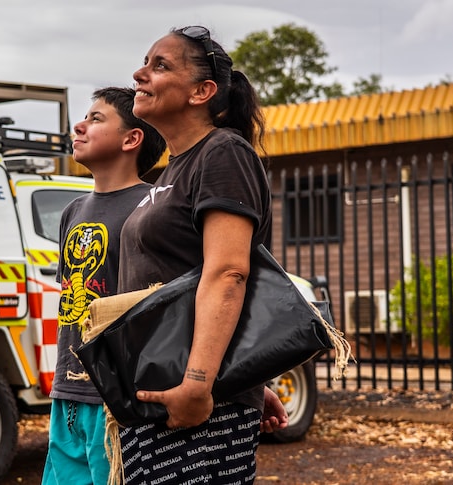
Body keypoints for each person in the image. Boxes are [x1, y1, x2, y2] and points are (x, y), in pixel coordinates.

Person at [115, 25, 285, 484]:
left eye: (160, 65)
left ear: (202, 91)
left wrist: (200, 382)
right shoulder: (176, 165)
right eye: (145, 63)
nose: (139, 74)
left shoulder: (222, 152)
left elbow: (229, 272)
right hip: (161, 390)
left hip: (194, 398)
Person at [41, 86, 166, 485]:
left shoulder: (154, 209)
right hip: (67, 396)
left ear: (132, 139)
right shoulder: (72, 211)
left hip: (116, 401)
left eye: (96, 119)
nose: (80, 125)